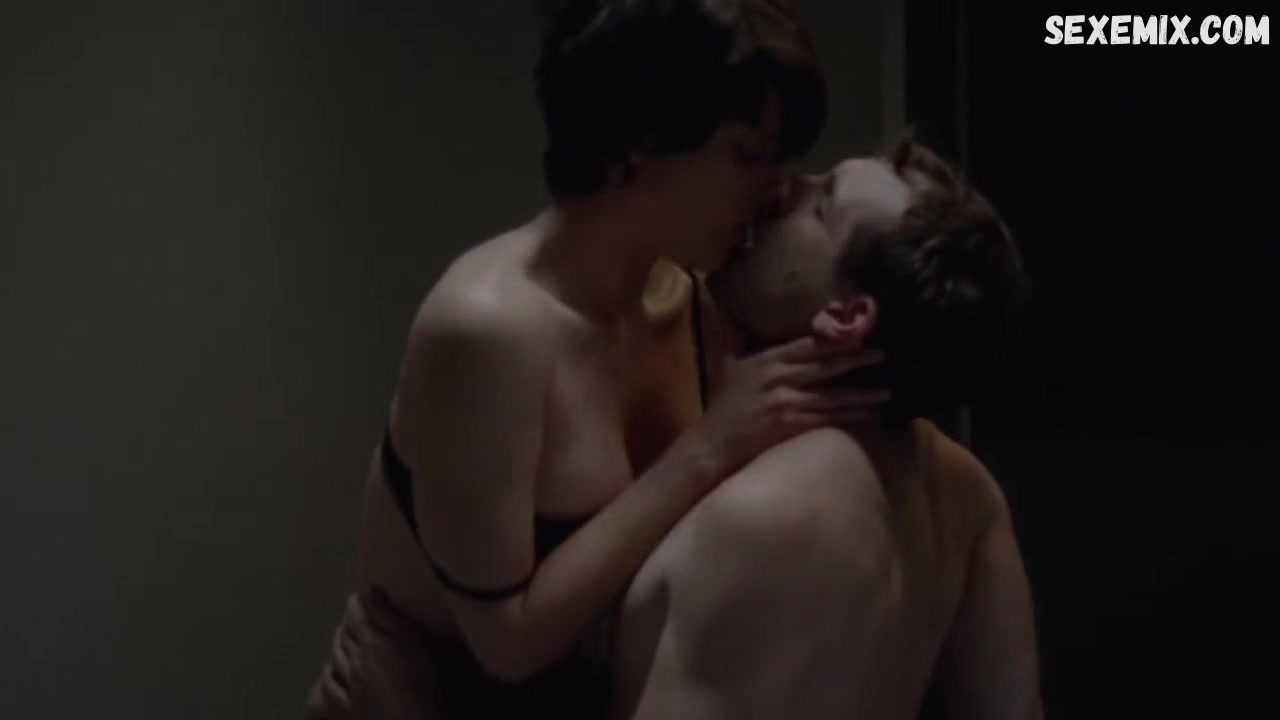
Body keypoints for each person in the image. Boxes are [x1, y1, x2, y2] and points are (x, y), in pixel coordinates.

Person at [304, 1, 888, 718]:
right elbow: (508, 643)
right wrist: (708, 448)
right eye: (748, 154)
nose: (775, 190)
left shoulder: (695, 302)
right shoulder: (489, 327)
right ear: (641, 140)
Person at [606, 137, 1042, 719]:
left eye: (819, 204)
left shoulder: (775, 509)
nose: (781, 187)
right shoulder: (965, 491)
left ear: (846, 317)